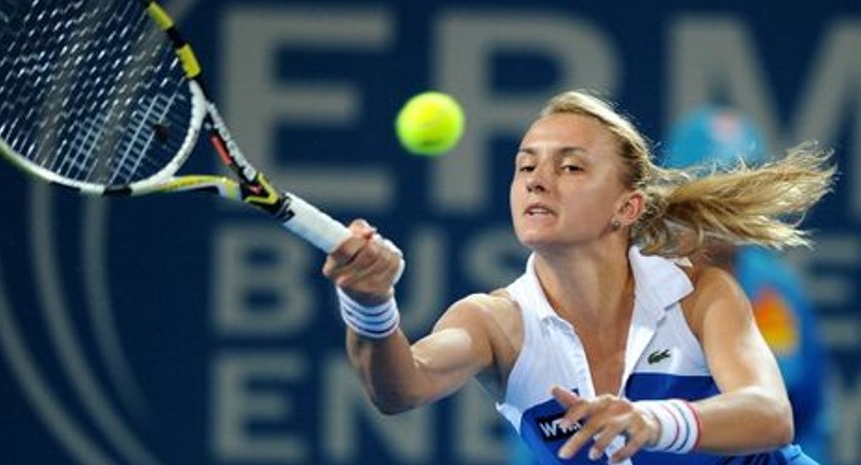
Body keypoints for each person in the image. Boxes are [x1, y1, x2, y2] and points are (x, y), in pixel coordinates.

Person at [323, 90, 835, 464]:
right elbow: (399, 389)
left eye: (570, 167)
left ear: (626, 207)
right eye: (526, 167)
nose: (537, 181)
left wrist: (653, 421)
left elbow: (772, 414)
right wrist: (370, 304)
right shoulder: (494, 322)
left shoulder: (699, 294)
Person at [661, 106, 833, 462]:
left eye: (743, 189)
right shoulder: (634, 285)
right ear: (676, 193)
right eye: (713, 186)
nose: (729, 205)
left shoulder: (778, 289)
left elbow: (811, 415)